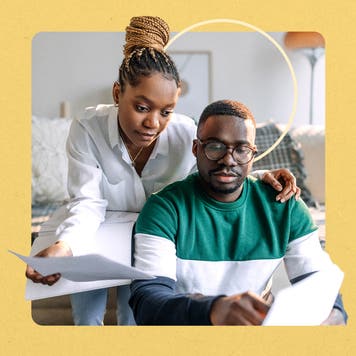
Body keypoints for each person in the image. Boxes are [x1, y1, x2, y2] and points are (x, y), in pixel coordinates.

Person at [26, 17, 300, 326]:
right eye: (142, 108)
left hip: (152, 236)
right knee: (87, 319)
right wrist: (66, 246)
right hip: (95, 232)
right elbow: (87, 203)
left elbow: (218, 171)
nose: (153, 123)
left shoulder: (184, 134)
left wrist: (261, 179)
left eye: (166, 111)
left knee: (137, 319)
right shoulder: (87, 128)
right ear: (117, 94)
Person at [129, 99, 347, 325]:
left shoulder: (286, 206)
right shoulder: (164, 208)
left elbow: (324, 288)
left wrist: (333, 319)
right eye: (215, 146)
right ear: (196, 149)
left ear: (253, 154)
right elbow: (148, 304)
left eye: (242, 150)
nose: (228, 160)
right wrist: (214, 309)